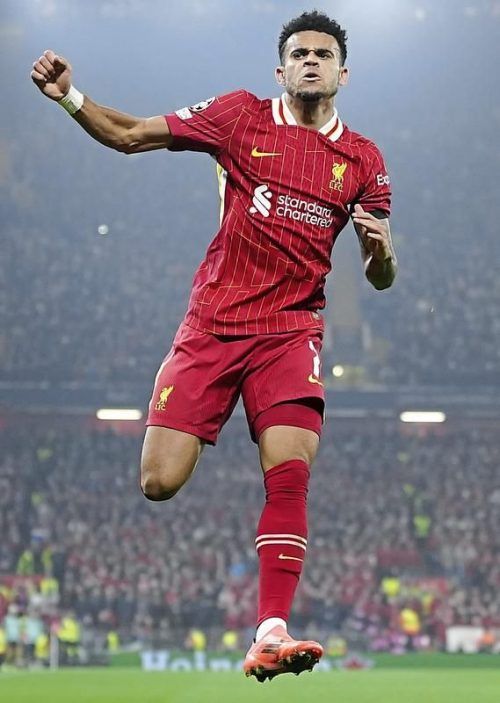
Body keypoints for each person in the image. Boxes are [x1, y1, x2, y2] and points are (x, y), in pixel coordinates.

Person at [31, 10, 397, 682]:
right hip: (214, 325)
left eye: (323, 54)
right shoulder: (240, 117)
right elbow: (131, 136)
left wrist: (383, 253)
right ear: (280, 69)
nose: (310, 61)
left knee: (290, 469)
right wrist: (70, 98)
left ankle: (270, 629)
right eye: (299, 53)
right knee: (158, 482)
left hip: (291, 330)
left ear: (343, 73)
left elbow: (380, 276)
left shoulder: (364, 160)